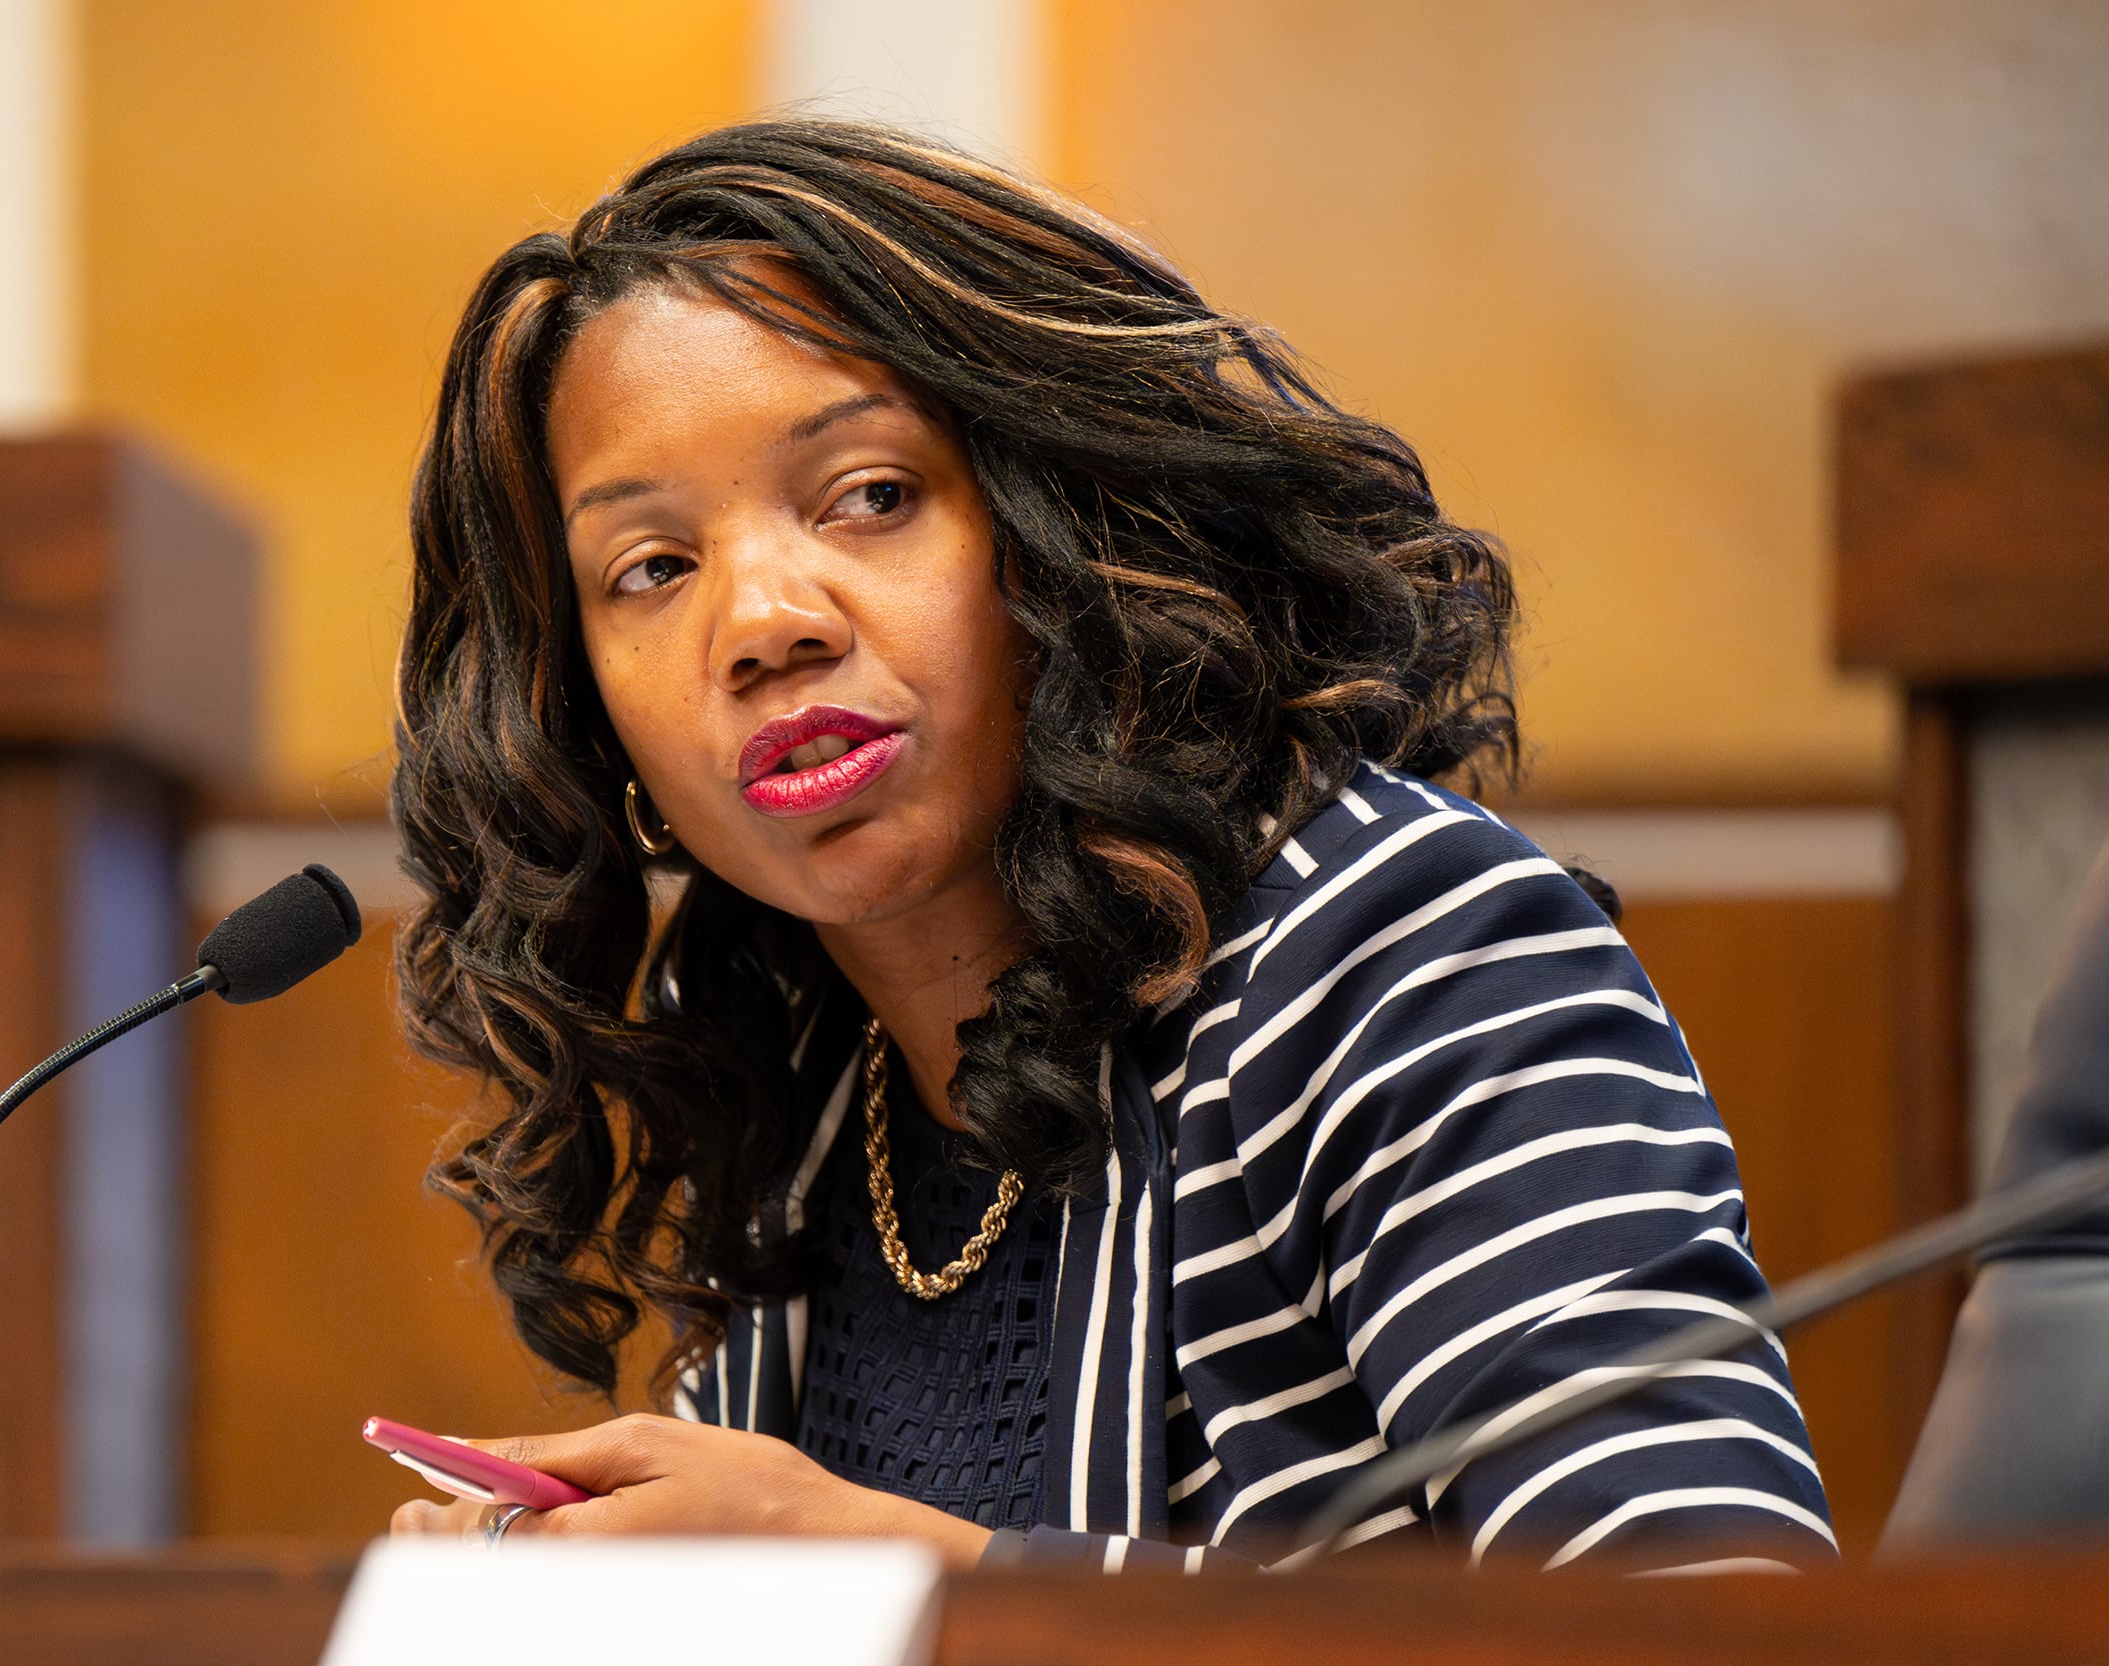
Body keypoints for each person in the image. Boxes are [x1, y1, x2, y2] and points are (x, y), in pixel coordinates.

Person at [385, 118, 1834, 1573]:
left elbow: (1699, 1610)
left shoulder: (1405, 954)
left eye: (871, 495)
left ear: (1059, 524)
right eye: (652, 569)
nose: (766, 621)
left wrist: (937, 1582)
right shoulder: (812, 1105)